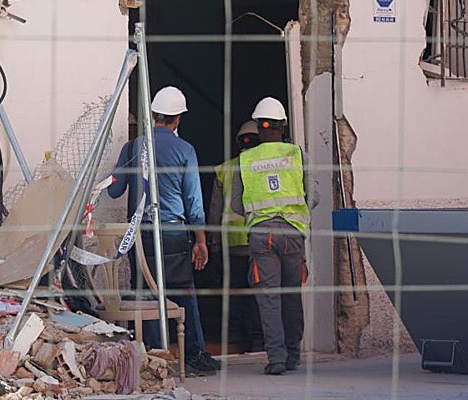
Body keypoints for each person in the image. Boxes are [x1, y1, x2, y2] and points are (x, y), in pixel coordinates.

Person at [108, 85, 222, 375]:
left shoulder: (132, 147)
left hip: (140, 236)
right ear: (178, 119)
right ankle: (194, 353)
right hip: (172, 235)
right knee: (183, 293)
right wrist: (201, 241)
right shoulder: (185, 150)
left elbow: (115, 190)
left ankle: (154, 359)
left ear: (153, 115)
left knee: (145, 294)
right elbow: (194, 202)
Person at [231, 96, 319, 376]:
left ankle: (277, 359)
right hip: (293, 233)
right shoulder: (298, 155)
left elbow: (235, 204)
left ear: (258, 127)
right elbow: (313, 196)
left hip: (262, 236)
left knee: (269, 297)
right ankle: (294, 355)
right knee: (291, 294)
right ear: (283, 126)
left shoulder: (245, 159)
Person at [209, 119, 264, 352]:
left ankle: (232, 339)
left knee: (233, 295)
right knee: (258, 296)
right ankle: (258, 342)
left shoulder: (225, 169)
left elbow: (214, 209)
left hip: (231, 245)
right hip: (260, 242)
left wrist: (212, 245)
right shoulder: (267, 166)